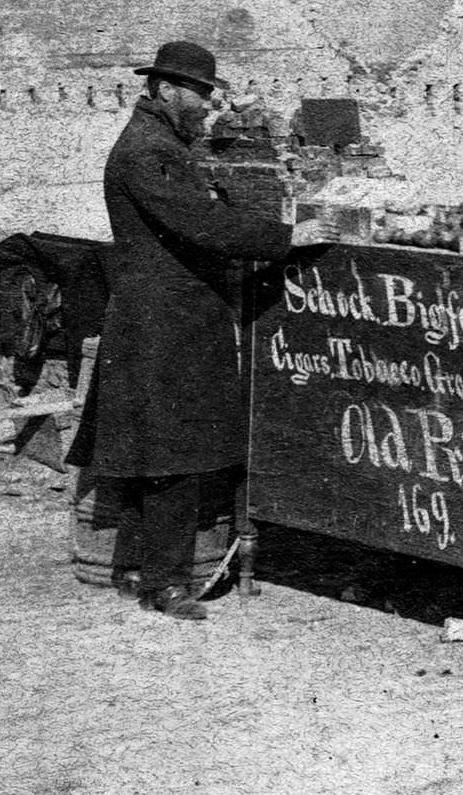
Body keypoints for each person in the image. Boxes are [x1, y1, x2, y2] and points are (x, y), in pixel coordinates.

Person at [67, 40, 338, 621]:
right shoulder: (149, 152)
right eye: (198, 94)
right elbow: (201, 223)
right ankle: (163, 584)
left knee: (156, 450)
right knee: (172, 453)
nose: (206, 106)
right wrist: (289, 236)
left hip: (166, 318)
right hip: (167, 322)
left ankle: (138, 570)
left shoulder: (157, 143)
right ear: (166, 90)